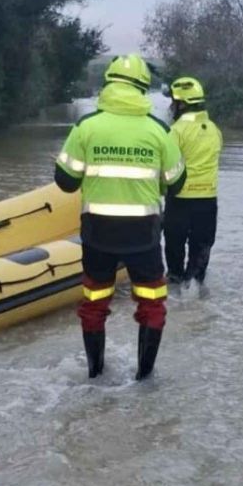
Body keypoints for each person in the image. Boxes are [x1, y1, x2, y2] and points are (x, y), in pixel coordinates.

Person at [54, 54, 187, 380]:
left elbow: (65, 181)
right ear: (143, 88)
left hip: (97, 233)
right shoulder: (159, 130)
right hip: (143, 235)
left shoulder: (86, 126)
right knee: (152, 303)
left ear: (108, 83)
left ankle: (95, 375)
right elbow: (177, 184)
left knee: (94, 303)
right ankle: (145, 380)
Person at [162, 77, 223, 290]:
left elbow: (167, 165)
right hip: (208, 199)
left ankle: (176, 293)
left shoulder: (176, 131)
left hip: (179, 199)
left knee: (174, 252)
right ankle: (197, 293)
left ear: (182, 104)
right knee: (201, 250)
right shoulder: (214, 129)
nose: (171, 107)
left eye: (173, 102)